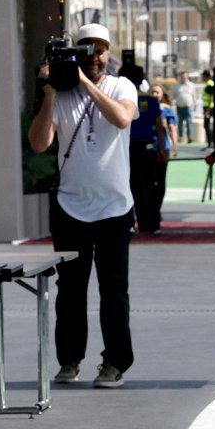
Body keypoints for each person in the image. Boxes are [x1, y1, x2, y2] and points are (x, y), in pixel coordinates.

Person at [28, 22, 137, 389]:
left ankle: (115, 363)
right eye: (88, 48)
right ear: (76, 52)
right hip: (71, 207)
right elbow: (39, 143)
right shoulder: (60, 95)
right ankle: (69, 360)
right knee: (70, 291)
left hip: (114, 208)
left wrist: (87, 85)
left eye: (102, 49)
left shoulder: (121, 86)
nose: (96, 55)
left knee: (114, 289)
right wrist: (48, 93)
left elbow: (122, 118)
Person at [119, 65, 166, 235]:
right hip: (147, 148)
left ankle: (134, 221)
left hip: (126, 149)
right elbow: (159, 127)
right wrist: (161, 149)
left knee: (131, 185)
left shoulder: (118, 99)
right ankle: (152, 224)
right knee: (149, 185)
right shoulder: (151, 100)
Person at [147, 83, 178, 227]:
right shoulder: (143, 107)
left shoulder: (166, 110)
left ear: (162, 94)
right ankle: (150, 210)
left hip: (162, 148)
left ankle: (156, 209)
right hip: (147, 148)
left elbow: (172, 128)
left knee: (160, 181)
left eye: (157, 93)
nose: (154, 95)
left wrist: (175, 145)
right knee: (149, 180)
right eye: (152, 92)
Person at [173, 71, 195, 143]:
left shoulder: (191, 85)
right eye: (182, 77)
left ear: (187, 77)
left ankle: (190, 137)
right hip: (179, 106)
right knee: (180, 122)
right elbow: (173, 96)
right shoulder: (177, 85)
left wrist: (195, 104)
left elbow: (194, 96)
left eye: (185, 77)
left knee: (189, 122)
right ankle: (181, 136)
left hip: (188, 106)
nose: (184, 78)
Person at [200, 68, 214, 146]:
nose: (202, 78)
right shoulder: (208, 84)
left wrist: (208, 110)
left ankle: (211, 143)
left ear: (206, 76)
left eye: (203, 76)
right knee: (206, 125)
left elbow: (211, 97)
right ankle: (210, 143)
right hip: (207, 107)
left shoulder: (210, 84)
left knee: (207, 125)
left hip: (209, 108)